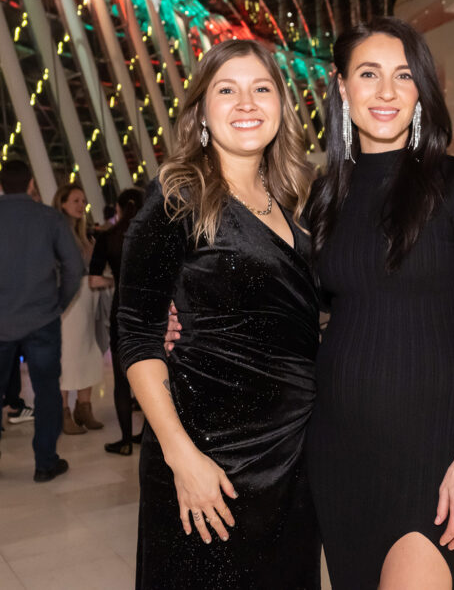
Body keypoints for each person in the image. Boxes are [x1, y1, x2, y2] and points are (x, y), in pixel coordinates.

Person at [305, 17, 454, 589]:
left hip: (433, 453)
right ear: (342, 87)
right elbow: (298, 308)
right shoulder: (326, 195)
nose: (387, 91)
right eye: (368, 74)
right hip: (338, 451)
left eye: (404, 75)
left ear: (421, 89)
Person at [117, 39, 320, 587]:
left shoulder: (294, 205)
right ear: (202, 112)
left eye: (261, 88)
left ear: (282, 104)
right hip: (209, 461)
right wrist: (183, 459)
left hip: (293, 460)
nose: (246, 102)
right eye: (226, 90)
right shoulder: (176, 200)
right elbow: (136, 335)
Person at [0, 159, 84, 482]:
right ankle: (45, 462)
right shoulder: (50, 219)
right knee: (46, 391)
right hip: (42, 319)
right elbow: (74, 267)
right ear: (30, 184)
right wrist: (59, 303)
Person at [90, 187, 146, 455]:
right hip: (151, 310)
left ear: (119, 209)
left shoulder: (108, 237)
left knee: (122, 380)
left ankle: (124, 440)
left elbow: (93, 279)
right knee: (151, 374)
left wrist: (117, 280)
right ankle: (148, 436)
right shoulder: (154, 235)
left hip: (122, 309)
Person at [53, 183, 106, 435]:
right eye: (75, 200)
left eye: (83, 200)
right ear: (62, 203)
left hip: (86, 301)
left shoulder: (84, 234)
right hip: (67, 303)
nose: (81, 205)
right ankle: (62, 411)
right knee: (67, 356)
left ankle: (84, 407)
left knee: (88, 352)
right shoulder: (58, 232)